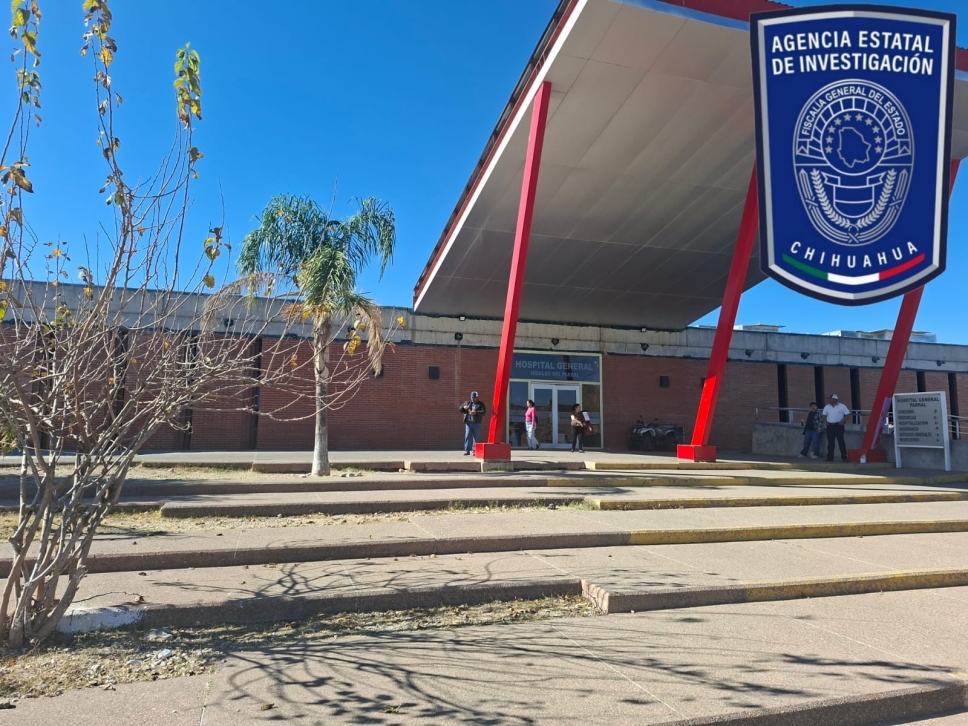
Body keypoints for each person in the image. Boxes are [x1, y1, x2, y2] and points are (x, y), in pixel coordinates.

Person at [822, 393, 851, 462]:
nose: (829, 400)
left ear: (835, 399)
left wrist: (843, 420)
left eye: (830, 399)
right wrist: (825, 422)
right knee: (830, 442)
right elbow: (823, 415)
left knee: (841, 441)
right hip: (830, 426)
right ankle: (830, 457)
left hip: (839, 425)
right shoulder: (827, 407)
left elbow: (848, 414)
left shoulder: (842, 406)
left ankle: (844, 457)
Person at [459, 391, 486, 455]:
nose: (473, 399)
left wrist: (476, 413)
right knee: (467, 436)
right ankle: (467, 450)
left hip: (476, 423)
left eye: (474, 397)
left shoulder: (481, 404)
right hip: (468, 423)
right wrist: (463, 407)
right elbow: (460, 409)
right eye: (472, 397)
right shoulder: (467, 403)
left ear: (477, 397)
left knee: (476, 438)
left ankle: (475, 451)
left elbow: (483, 412)